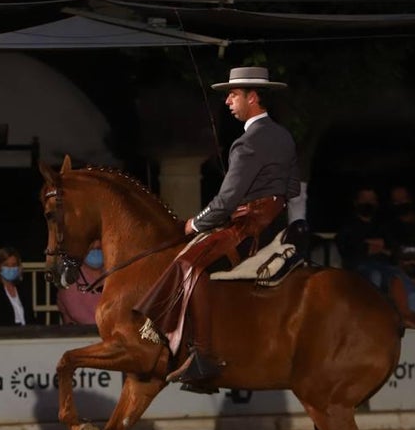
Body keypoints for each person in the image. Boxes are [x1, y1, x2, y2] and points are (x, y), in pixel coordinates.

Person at [136, 66, 300, 391]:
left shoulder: (247, 142)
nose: (227, 101)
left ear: (252, 97)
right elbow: (292, 188)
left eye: (233, 95)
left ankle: (203, 355)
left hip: (249, 228)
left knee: (188, 262)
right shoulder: (284, 136)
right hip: (278, 225)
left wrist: (193, 223)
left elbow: (226, 201)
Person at [335, 186, 392, 290]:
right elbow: (347, 250)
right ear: (356, 202)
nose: (367, 203)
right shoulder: (348, 225)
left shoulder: (383, 224)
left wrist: (370, 244)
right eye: (364, 199)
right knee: (375, 275)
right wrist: (369, 247)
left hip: (385, 265)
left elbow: (391, 247)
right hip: (358, 268)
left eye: (371, 200)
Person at [0, 246, 38, 326]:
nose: (10, 268)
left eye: (14, 265)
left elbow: (31, 318)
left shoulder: (22, 289)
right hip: (4, 335)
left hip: (27, 334)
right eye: (6, 265)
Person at [56, 240, 103, 325]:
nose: (96, 245)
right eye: (91, 241)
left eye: (100, 240)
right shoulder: (71, 281)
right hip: (83, 336)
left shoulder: (116, 276)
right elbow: (81, 316)